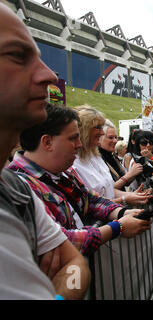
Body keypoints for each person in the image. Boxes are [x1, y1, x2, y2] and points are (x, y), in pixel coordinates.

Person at [0, 1, 90, 299]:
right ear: (46, 141)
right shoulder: (25, 185)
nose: (50, 75)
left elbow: (76, 264)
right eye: (17, 55)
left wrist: (61, 296)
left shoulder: (14, 191)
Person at [9, 104, 152, 256]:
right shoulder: (17, 186)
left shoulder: (64, 172)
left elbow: (90, 200)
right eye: (73, 138)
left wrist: (121, 213)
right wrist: (118, 227)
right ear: (47, 142)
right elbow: (60, 241)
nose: (79, 144)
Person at [72, 105, 151, 206]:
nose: (101, 132)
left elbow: (109, 190)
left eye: (115, 137)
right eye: (98, 128)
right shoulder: (72, 162)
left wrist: (132, 195)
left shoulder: (96, 156)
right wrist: (125, 198)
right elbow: (90, 204)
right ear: (84, 130)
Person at [99, 119, 144, 192]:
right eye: (110, 137)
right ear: (99, 138)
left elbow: (125, 183)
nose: (115, 141)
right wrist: (130, 174)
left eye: (115, 137)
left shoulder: (111, 156)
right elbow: (107, 191)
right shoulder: (97, 158)